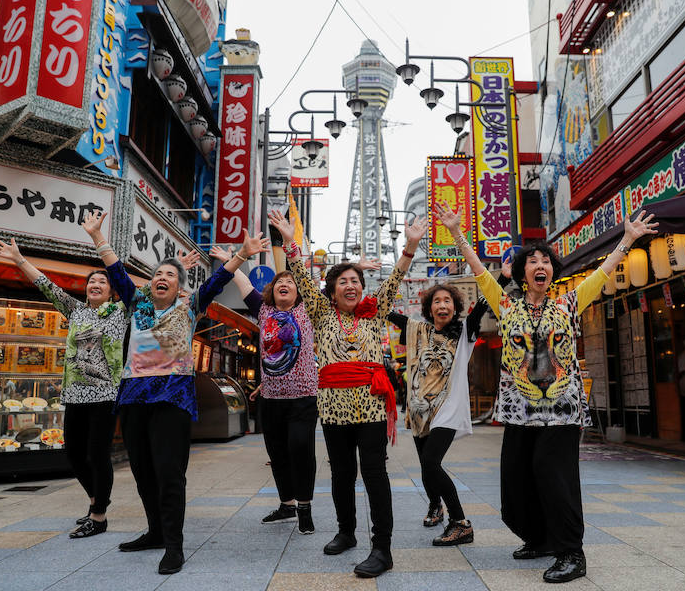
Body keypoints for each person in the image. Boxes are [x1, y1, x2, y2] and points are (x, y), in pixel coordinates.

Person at [435, 200, 657, 583]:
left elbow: (603, 273)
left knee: (553, 475)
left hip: (563, 410)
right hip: (521, 410)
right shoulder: (506, 305)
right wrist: (456, 232)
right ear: (522, 273)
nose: (542, 265)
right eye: (533, 261)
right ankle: (539, 538)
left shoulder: (569, 302)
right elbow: (477, 270)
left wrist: (627, 240)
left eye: (547, 261)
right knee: (517, 478)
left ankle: (572, 551)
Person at [82, 210, 269, 575]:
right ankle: (154, 531)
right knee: (142, 471)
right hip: (134, 397)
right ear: (150, 284)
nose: (162, 278)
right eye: (157, 274)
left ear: (179, 285)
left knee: (169, 472)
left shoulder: (189, 305)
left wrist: (243, 253)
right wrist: (96, 236)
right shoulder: (138, 304)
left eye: (169, 274)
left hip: (173, 398)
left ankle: (174, 543)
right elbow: (117, 270)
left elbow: (217, 281)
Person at [269, 208, 427, 578]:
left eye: (356, 280)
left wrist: (411, 245)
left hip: (371, 409)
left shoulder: (375, 313)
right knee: (341, 474)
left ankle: (382, 547)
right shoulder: (321, 313)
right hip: (334, 408)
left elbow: (396, 279)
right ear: (333, 289)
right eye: (343, 281)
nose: (351, 286)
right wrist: (291, 241)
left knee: (374, 474)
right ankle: (346, 532)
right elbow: (303, 282)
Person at [0, 238, 148, 539]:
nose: (96, 284)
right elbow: (46, 285)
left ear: (112, 290)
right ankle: (95, 500)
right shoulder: (75, 311)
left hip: (104, 395)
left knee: (98, 454)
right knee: (74, 454)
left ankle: (99, 517)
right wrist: (18, 259)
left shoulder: (120, 312)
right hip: (75, 395)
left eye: (102, 281)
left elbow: (134, 291)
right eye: (91, 281)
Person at [208, 246, 367, 534]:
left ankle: (304, 508)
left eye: (290, 282)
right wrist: (229, 259)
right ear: (272, 291)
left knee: (300, 448)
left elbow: (316, 284)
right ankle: (287, 504)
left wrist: (356, 269)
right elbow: (242, 281)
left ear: (299, 291)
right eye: (279, 282)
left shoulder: (308, 310)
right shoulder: (263, 309)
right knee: (277, 453)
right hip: (270, 399)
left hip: (303, 397)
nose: (284, 284)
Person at [387, 283, 488, 547]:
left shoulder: (464, 331)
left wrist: (502, 279)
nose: (442, 305)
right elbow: (385, 310)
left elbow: (482, 305)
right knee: (426, 466)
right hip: (420, 409)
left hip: (448, 408)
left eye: (447, 301)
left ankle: (460, 523)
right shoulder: (418, 330)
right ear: (429, 308)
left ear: (455, 307)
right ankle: (435, 506)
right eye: (436, 301)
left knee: (432, 462)